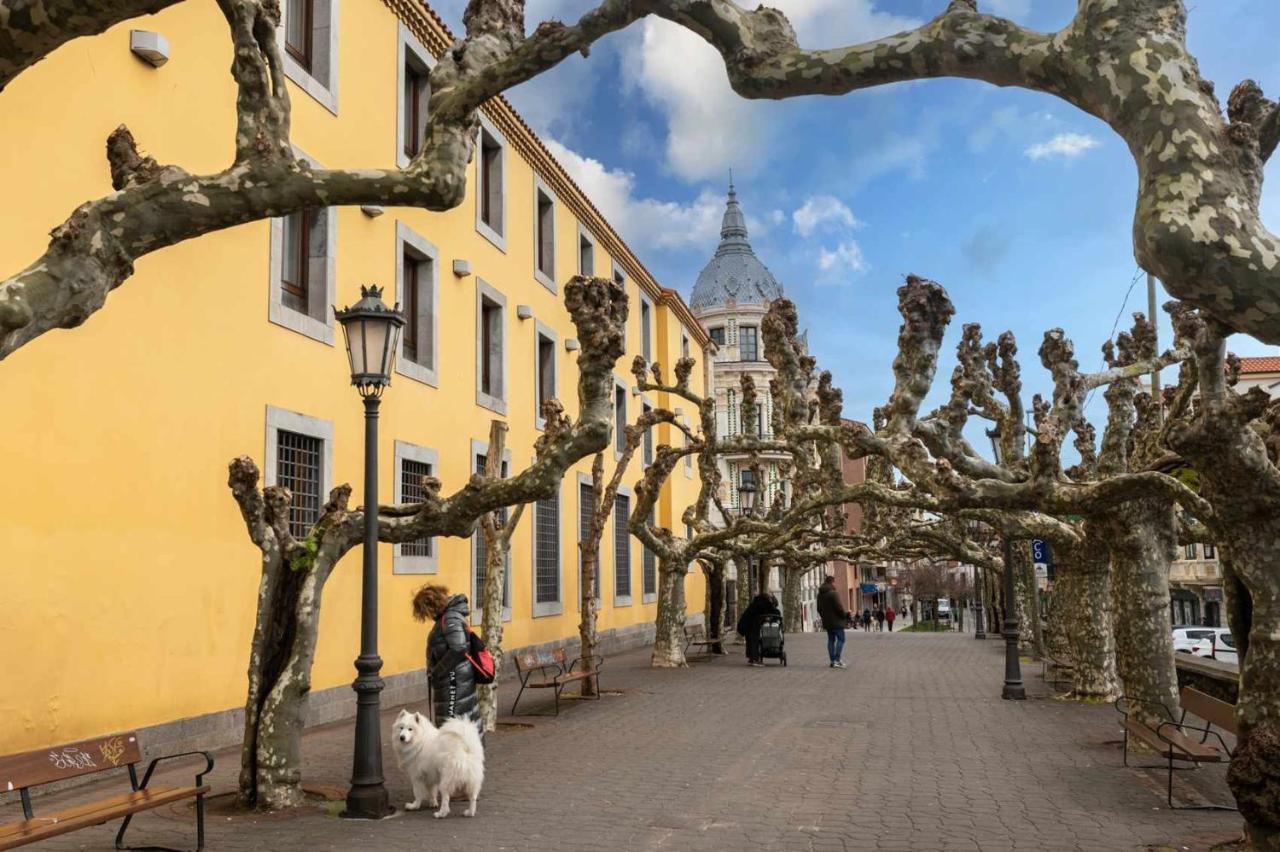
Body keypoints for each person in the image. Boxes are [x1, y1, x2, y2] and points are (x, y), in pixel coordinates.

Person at [413, 584, 479, 725]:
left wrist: (437, 672)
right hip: (456, 679)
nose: (428, 616)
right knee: (460, 724)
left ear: (431, 606)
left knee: (451, 725)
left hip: (454, 681)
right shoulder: (449, 616)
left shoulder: (450, 618)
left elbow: (458, 648)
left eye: (426, 612)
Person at [737, 591, 781, 667]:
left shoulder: (758, 601)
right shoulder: (765, 602)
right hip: (751, 623)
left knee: (750, 640)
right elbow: (775, 612)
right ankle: (755, 660)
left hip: (746, 623)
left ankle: (751, 659)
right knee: (754, 640)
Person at [816, 576, 850, 668]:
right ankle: (837, 660)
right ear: (832, 582)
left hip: (827, 622)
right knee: (841, 639)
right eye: (835, 582)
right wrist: (844, 616)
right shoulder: (833, 593)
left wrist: (824, 617)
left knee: (831, 640)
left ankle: (832, 661)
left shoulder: (820, 594)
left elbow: (819, 609)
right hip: (837, 621)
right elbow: (839, 607)